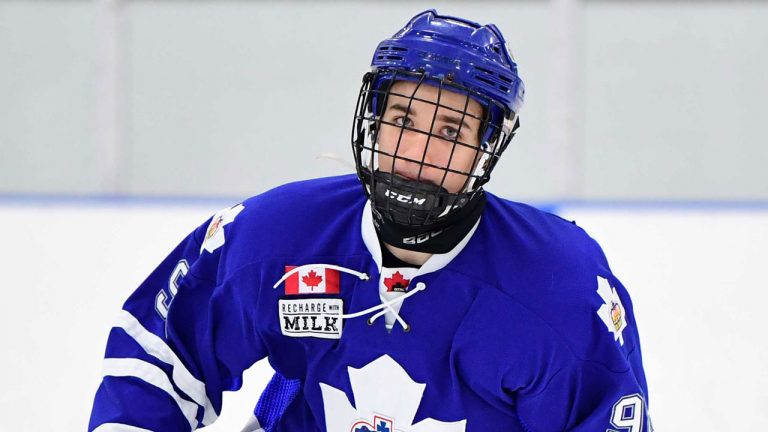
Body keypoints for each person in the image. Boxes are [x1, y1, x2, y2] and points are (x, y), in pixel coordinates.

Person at [89, 9, 652, 432]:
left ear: (486, 150)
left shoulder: (559, 287)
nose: (419, 151)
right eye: (403, 118)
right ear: (374, 124)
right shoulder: (278, 235)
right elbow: (162, 353)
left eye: (451, 132)